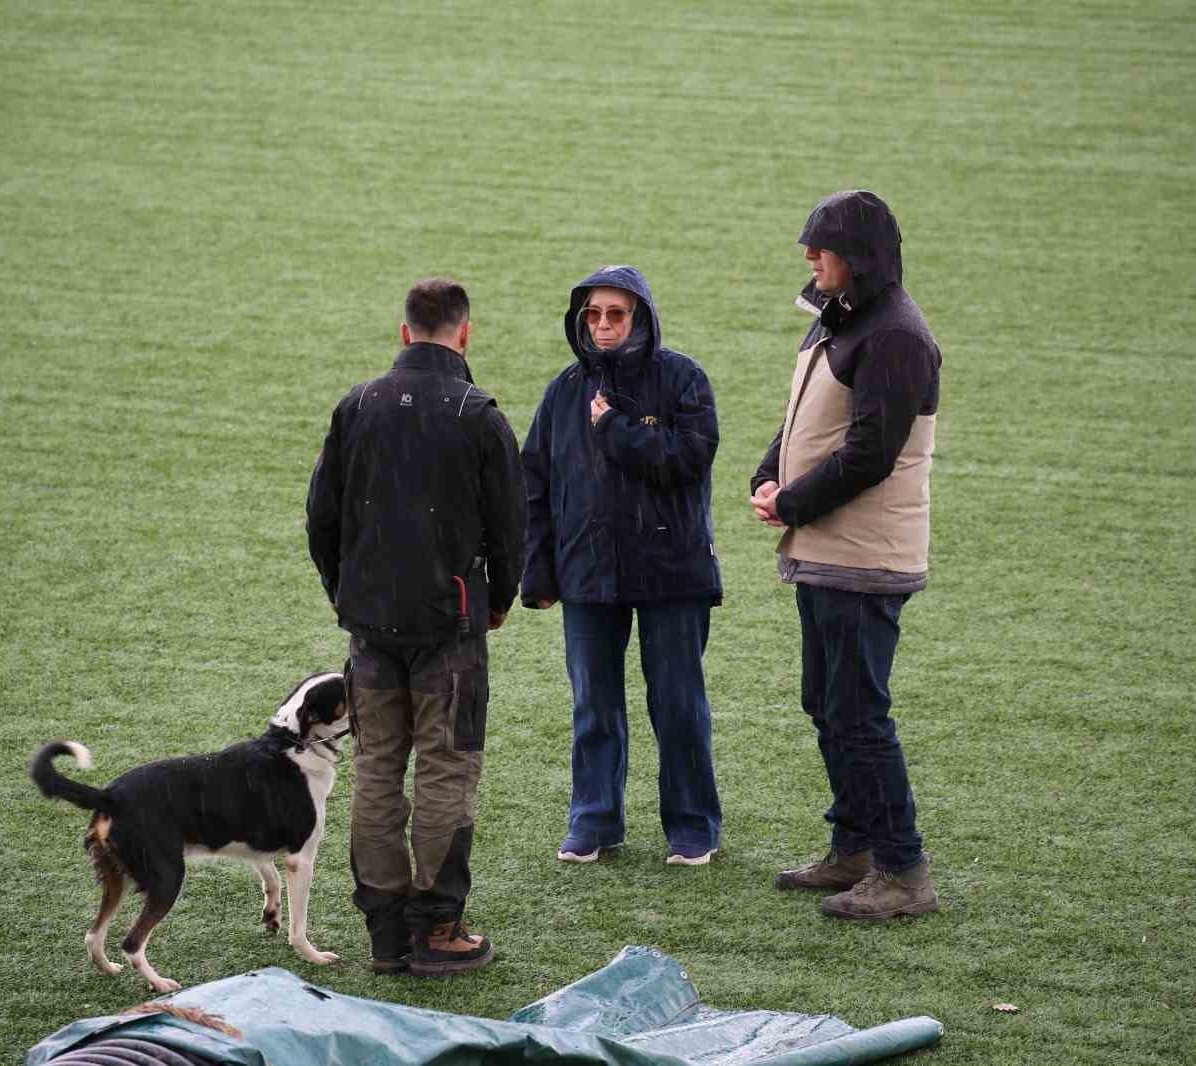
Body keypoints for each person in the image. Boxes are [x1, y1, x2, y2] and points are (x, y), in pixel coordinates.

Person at [306, 277, 527, 975]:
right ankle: (437, 932)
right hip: (450, 630)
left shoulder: (357, 404)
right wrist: (499, 600)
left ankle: (384, 936)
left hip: (370, 627)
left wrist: (344, 592)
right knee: (445, 772)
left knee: (376, 771)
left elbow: (321, 517)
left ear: (405, 332)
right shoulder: (479, 413)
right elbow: (510, 528)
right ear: (465, 333)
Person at [751, 190, 942, 919]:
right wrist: (769, 474)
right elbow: (805, 417)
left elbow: (868, 455)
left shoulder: (896, 335)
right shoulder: (846, 318)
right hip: (828, 547)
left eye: (820, 246)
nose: (808, 256)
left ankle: (903, 871)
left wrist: (790, 502)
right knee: (827, 703)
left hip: (865, 558)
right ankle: (855, 849)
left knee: (859, 713)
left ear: (856, 256)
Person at [520, 265, 723, 867]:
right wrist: (538, 573)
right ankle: (594, 821)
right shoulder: (563, 391)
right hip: (587, 573)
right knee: (593, 704)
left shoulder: (684, 379)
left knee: (679, 702)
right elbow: (534, 482)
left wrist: (615, 429)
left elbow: (690, 457)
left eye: (617, 314)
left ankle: (692, 826)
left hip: (672, 571)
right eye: (593, 314)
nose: (603, 326)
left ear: (642, 317)